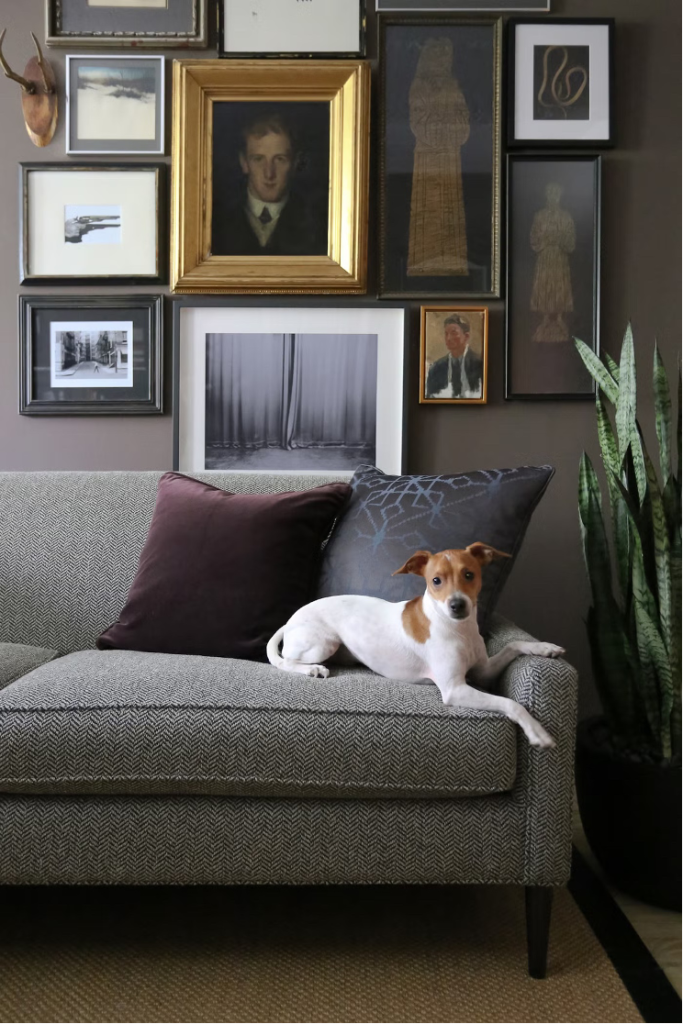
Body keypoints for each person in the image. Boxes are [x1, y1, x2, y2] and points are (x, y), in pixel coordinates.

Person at [212, 112, 328, 257]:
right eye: (258, 159)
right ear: (244, 163)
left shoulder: (319, 223)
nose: (269, 174)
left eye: (280, 159)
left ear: (295, 163)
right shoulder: (217, 221)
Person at [425, 314, 482, 399]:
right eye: (446, 334)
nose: (448, 338)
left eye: (453, 333)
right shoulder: (436, 369)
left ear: (466, 336)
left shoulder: (480, 365)